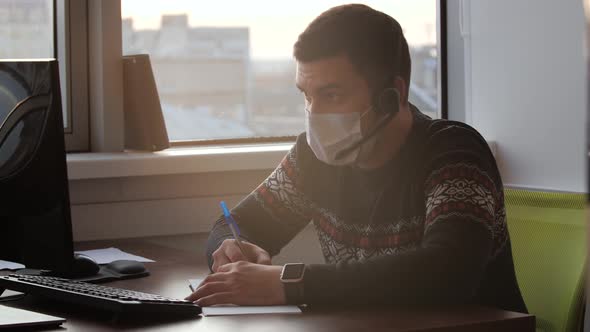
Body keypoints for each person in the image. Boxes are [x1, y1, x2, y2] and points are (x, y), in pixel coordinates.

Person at [186, 4, 527, 313]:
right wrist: (232, 248)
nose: (314, 113)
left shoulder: (454, 151)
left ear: (392, 96)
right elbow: (234, 224)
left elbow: (448, 272)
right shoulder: (314, 158)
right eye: (307, 95)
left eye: (332, 94)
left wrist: (288, 283)